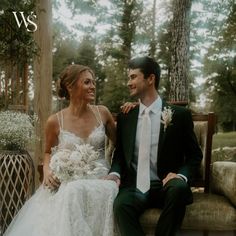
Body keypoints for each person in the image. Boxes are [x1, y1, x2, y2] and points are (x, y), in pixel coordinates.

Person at [4, 64, 119, 236]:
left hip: (101, 178)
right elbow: (48, 152)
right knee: (70, 191)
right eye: (87, 82)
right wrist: (47, 169)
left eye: (93, 82)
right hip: (71, 179)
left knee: (78, 191)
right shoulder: (55, 121)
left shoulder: (102, 113)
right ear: (70, 87)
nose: (93, 86)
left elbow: (122, 145)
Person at [105, 56, 203, 236]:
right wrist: (114, 173)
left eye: (133, 77)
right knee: (121, 205)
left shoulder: (179, 115)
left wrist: (181, 175)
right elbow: (120, 153)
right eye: (129, 78)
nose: (129, 82)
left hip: (166, 185)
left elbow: (195, 155)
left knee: (178, 188)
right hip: (134, 186)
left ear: (151, 79)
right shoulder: (126, 116)